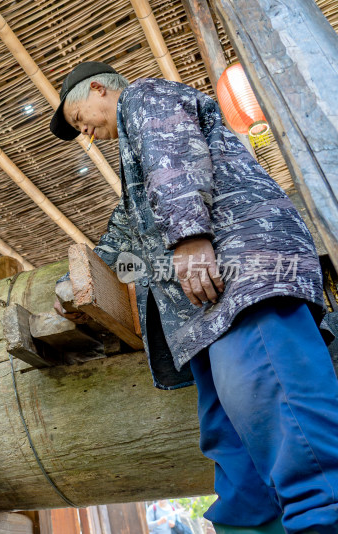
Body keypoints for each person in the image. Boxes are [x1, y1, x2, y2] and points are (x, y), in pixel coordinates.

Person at [50, 61, 338, 533]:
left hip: (242, 276)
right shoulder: (135, 177)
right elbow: (121, 236)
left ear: (99, 88)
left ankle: (323, 517)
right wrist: (72, 285)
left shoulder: (145, 99)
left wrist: (189, 238)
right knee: (229, 440)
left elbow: (173, 154)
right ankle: (250, 525)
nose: (86, 132)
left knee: (279, 406)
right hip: (203, 310)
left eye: (82, 118)